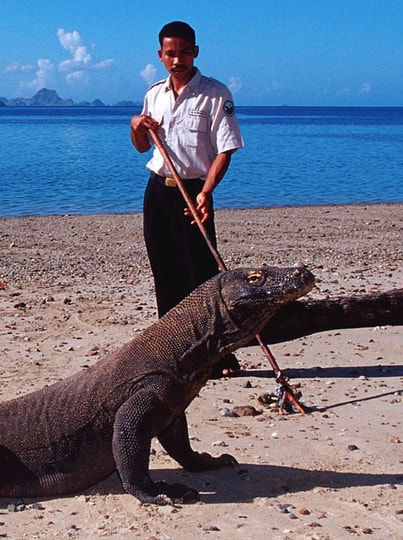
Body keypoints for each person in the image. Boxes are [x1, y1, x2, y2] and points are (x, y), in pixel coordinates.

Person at [129, 21, 244, 376]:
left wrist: (207, 192)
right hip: (158, 191)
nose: (177, 59)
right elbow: (142, 147)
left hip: (194, 192)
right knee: (164, 272)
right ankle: (173, 355)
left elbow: (225, 151)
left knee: (203, 275)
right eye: (170, 53)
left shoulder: (215, 94)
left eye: (184, 52)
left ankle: (219, 355)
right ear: (161, 55)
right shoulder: (154, 93)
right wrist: (135, 126)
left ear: (195, 52)